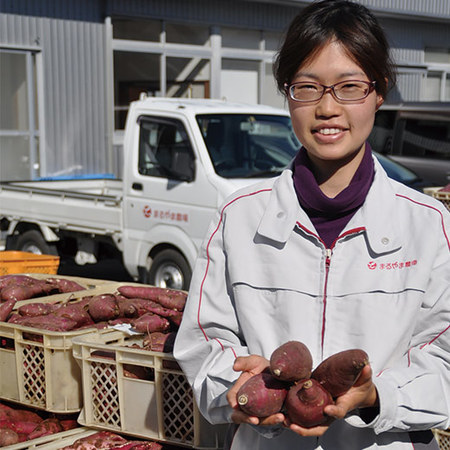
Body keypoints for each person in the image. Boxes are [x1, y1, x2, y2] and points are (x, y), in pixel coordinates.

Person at [173, 1, 450, 448]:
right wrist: (239, 390)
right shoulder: (239, 217)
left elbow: (445, 358)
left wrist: (378, 397)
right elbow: (205, 344)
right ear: (287, 94)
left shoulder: (428, 225)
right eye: (307, 87)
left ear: (379, 92)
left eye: (349, 87)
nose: (327, 107)